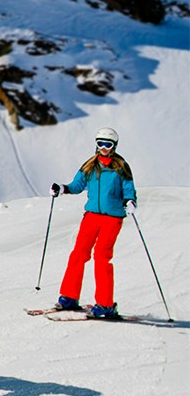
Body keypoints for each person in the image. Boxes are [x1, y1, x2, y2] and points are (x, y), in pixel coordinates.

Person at [51, 127, 136, 320]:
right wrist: (62, 188)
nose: (104, 148)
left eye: (108, 144)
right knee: (78, 253)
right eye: (100, 144)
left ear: (114, 146)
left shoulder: (121, 167)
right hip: (91, 217)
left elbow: (129, 189)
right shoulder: (90, 165)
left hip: (112, 218)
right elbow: (76, 186)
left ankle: (105, 304)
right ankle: (69, 297)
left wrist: (130, 201)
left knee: (101, 256)